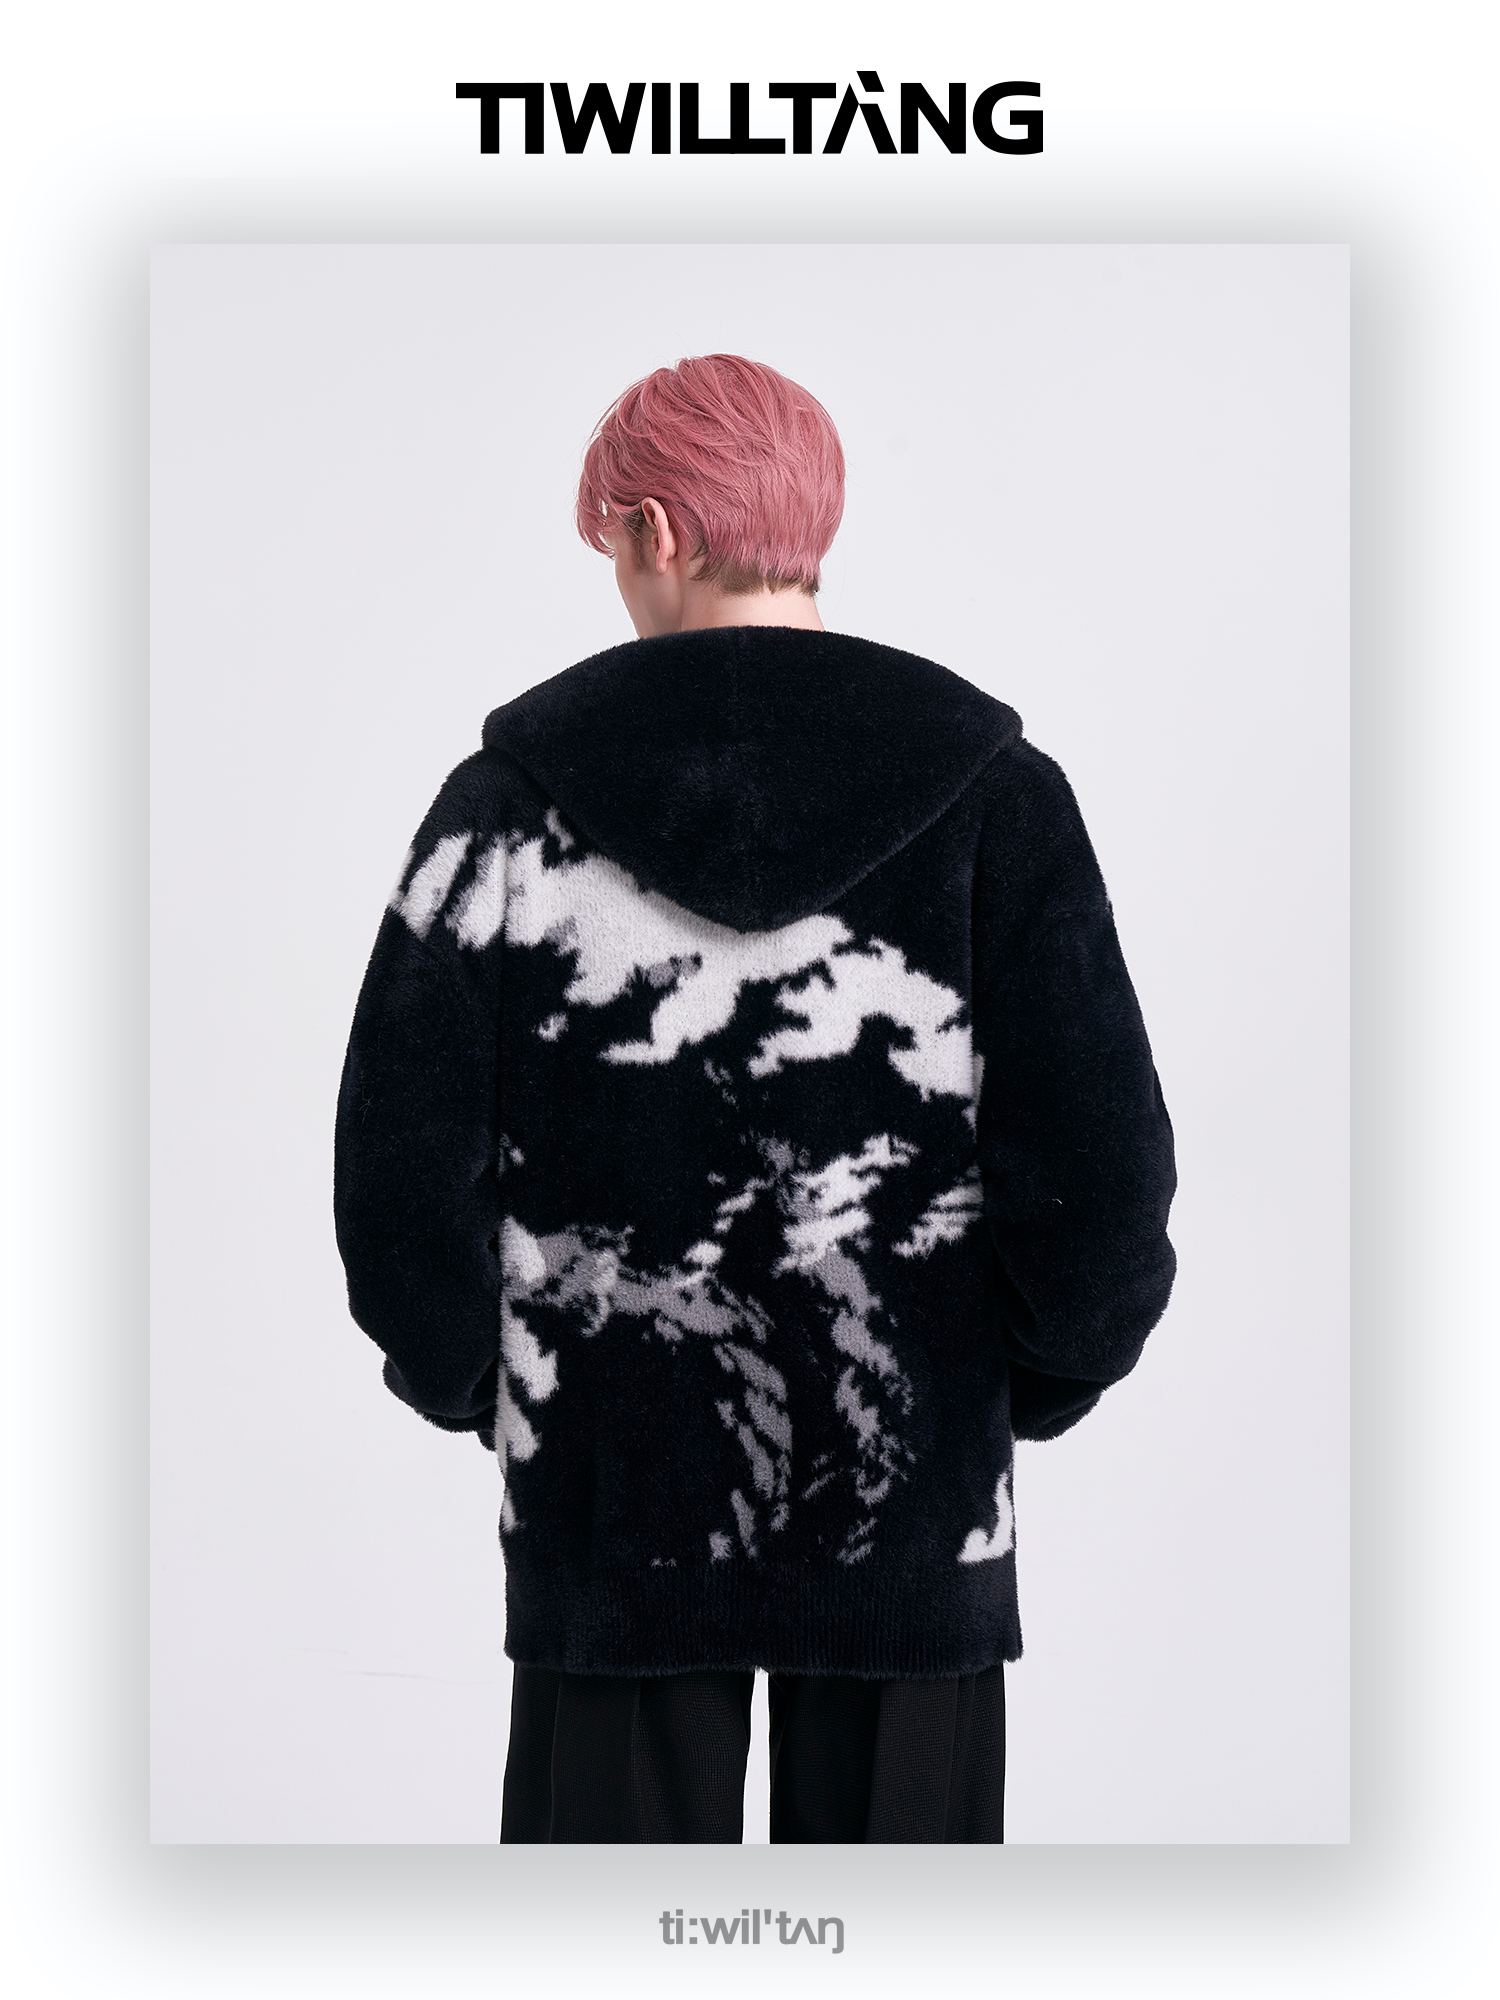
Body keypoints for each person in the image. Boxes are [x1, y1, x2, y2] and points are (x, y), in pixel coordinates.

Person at [333, 354, 1177, 1843]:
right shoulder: (995, 793)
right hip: (915, 1498)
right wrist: (1021, 1382)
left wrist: (485, 1385)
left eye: (611, 544)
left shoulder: (506, 807)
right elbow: (1100, 1174)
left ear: (653, 530)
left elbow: (399, 1173)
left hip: (608, 1502)